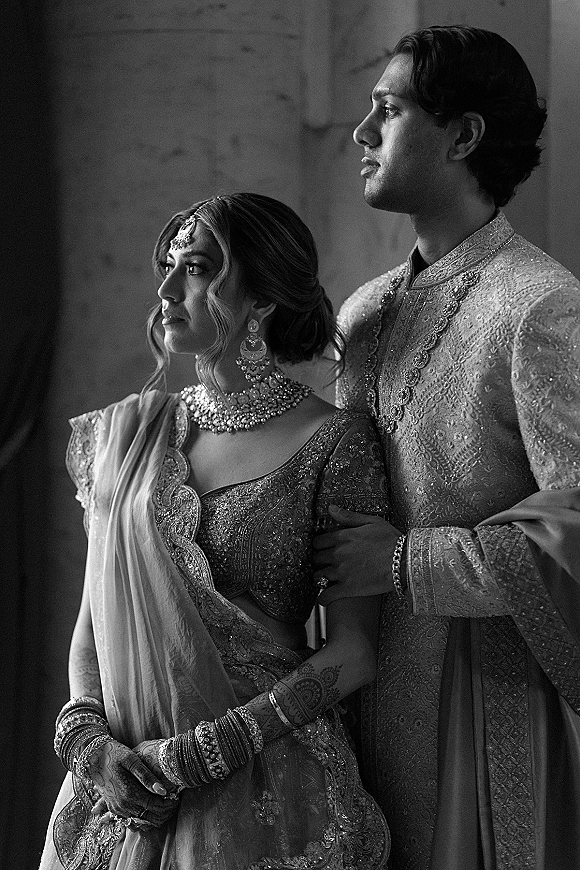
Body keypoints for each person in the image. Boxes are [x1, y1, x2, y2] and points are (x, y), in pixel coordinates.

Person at [39, 192, 391, 869]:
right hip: (126, 789)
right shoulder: (126, 438)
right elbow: (94, 626)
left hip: (265, 782)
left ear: (261, 302)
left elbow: (355, 652)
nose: (167, 288)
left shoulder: (333, 441)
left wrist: (212, 749)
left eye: (196, 268)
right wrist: (87, 741)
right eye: (168, 265)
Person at [313, 25, 580, 870]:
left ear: (463, 135)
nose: (362, 133)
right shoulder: (361, 317)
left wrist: (406, 564)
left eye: (387, 111)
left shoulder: (538, 307)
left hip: (484, 705)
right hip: (355, 701)